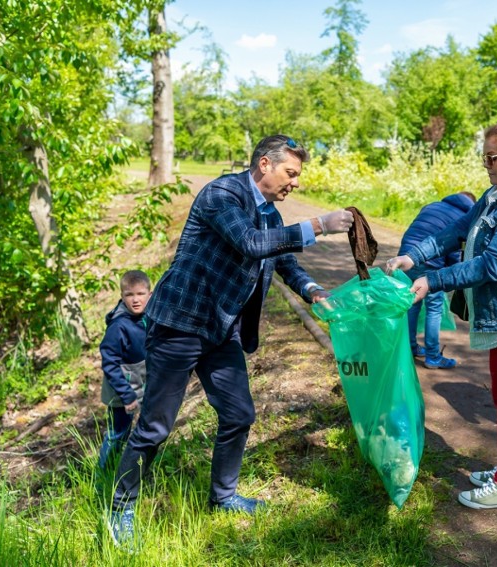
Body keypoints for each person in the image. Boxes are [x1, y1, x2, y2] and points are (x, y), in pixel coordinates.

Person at [105, 135, 354, 548]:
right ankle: (120, 510)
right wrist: (318, 225)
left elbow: (282, 260)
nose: (295, 183)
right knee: (155, 426)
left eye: (297, 176)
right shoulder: (222, 193)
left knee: (239, 414)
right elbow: (251, 244)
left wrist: (312, 289)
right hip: (180, 324)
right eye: (290, 173)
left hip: (221, 330)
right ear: (263, 165)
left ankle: (222, 497)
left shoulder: (270, 214)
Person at [385, 114, 497, 510]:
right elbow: (457, 229)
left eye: (492, 158)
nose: (485, 165)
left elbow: (491, 266)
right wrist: (413, 256)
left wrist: (432, 281)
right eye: (484, 157)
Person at [398, 191, 476, 369]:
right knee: (434, 309)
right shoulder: (464, 216)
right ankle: (433, 357)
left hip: (407, 255)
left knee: (412, 302)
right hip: (430, 261)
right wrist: (453, 274)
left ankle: (410, 347)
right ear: (471, 203)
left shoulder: (433, 205)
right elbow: (454, 248)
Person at [97, 270, 151, 471]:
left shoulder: (149, 317)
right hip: (121, 389)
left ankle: (138, 469)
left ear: (150, 294)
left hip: (142, 381)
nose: (135, 300)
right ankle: (104, 474)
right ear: (122, 297)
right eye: (129, 295)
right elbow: (110, 364)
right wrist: (127, 395)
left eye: (140, 294)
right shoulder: (118, 326)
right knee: (118, 433)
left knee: (146, 428)